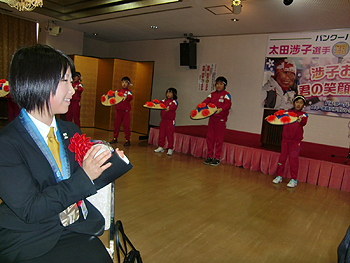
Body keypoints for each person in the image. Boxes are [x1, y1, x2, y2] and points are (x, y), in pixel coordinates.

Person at [0, 44, 125, 263]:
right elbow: (31, 209)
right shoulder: (7, 144)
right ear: (37, 82)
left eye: (72, 81)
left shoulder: (70, 131)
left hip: (74, 227)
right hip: (31, 235)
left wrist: (108, 164)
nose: (72, 89)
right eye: (65, 81)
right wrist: (85, 175)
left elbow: (82, 181)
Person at [272, 95, 308, 188]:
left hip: (295, 142)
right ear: (294, 103)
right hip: (285, 140)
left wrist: (300, 120)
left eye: (301, 102)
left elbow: (303, 122)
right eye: (297, 102)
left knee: (293, 161)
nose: (298, 104)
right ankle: (279, 176)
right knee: (282, 159)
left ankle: (293, 179)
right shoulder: (288, 112)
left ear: (303, 104)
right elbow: (279, 118)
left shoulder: (304, 114)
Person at [202, 76, 232, 166]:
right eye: (217, 84)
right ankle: (210, 156)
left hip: (221, 120)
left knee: (219, 139)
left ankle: (217, 158)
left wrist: (221, 109)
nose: (218, 86)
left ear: (225, 86)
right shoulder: (211, 94)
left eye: (221, 84)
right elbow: (205, 102)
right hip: (212, 119)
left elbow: (228, 105)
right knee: (210, 138)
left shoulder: (226, 94)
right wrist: (200, 107)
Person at [154, 87, 178, 156]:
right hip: (163, 120)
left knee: (170, 135)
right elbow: (159, 103)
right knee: (162, 133)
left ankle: (170, 148)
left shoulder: (174, 102)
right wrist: (155, 103)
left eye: (170, 93)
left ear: (174, 94)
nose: (168, 94)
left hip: (170, 121)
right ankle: (161, 146)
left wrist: (167, 108)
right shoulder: (164, 101)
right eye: (167, 92)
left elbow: (172, 107)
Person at [109, 76, 133, 146]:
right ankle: (115, 137)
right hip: (118, 111)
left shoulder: (129, 92)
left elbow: (130, 97)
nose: (124, 84)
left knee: (126, 126)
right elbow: (112, 96)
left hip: (126, 112)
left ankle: (127, 139)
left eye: (126, 82)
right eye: (123, 82)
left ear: (128, 84)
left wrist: (127, 97)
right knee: (116, 125)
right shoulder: (117, 91)